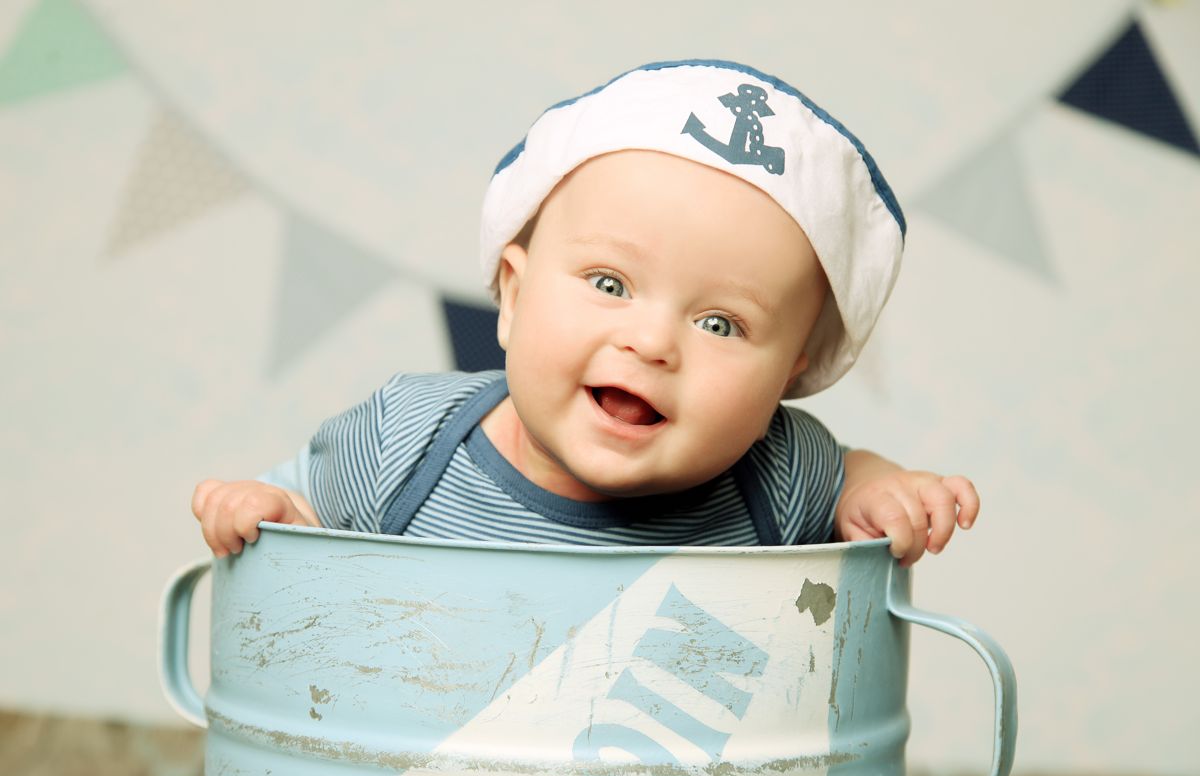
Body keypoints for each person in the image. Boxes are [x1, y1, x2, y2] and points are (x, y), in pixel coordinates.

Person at [192, 60, 978, 565]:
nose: (649, 341)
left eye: (720, 324)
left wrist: (883, 491)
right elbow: (302, 528)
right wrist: (266, 512)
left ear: (790, 372)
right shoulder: (407, 444)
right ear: (513, 292)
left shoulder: (777, 473)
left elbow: (850, 478)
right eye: (609, 283)